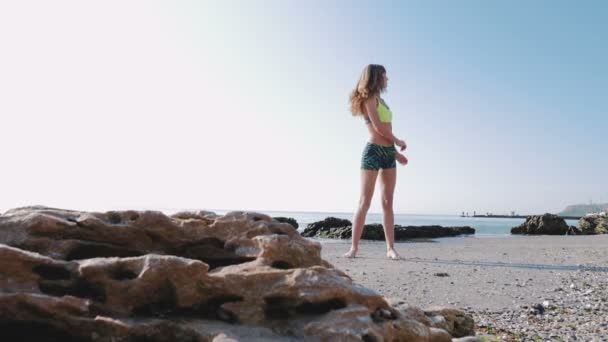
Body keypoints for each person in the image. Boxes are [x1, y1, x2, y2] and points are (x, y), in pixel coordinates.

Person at [343, 64, 407, 260]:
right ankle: (354, 248)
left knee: (388, 201)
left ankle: (390, 248)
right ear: (376, 77)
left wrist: (395, 152)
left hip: (388, 153)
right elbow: (378, 127)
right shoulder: (369, 99)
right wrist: (398, 140)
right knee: (365, 201)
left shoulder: (383, 101)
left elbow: (385, 128)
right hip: (372, 152)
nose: (387, 79)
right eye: (385, 76)